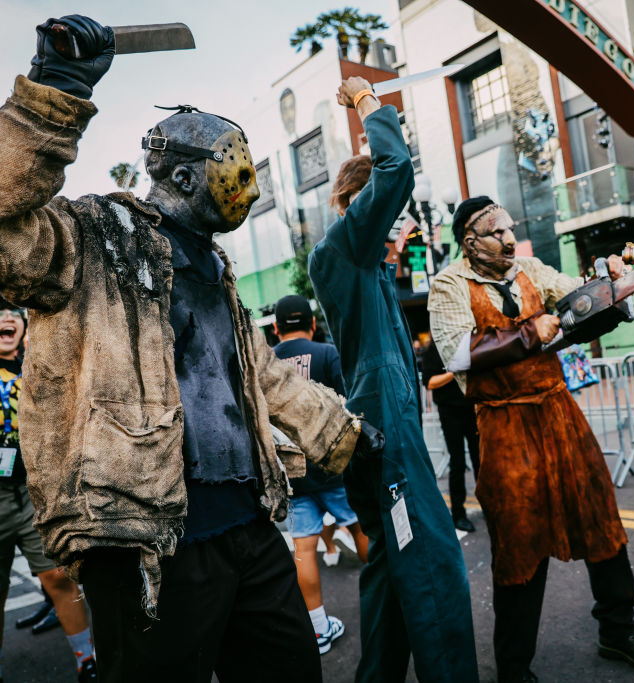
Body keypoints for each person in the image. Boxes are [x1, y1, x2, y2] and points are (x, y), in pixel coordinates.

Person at [0, 16, 379, 682]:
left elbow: (261, 376)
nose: (247, 185)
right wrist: (53, 91)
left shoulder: (215, 268)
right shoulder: (95, 237)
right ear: (180, 175)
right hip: (145, 545)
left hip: (249, 525)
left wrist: (347, 434)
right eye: (232, 167)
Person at [429, 196, 634, 682]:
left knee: (598, 512)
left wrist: (611, 281)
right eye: (495, 231)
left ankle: (618, 628)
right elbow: (456, 353)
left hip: (558, 408)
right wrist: (530, 333)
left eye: (509, 227)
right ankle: (514, 667)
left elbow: (577, 299)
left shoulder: (531, 269)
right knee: (518, 539)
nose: (508, 237)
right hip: (504, 425)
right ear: (470, 241)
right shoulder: (448, 283)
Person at [307, 77, 478, 683]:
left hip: (381, 434)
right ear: (363, 207)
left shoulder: (368, 271)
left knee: (392, 567)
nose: (404, 229)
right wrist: (365, 100)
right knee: (432, 565)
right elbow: (395, 164)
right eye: (394, 215)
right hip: (387, 438)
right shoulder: (343, 251)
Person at [0, 303, 97, 682]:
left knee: (59, 578)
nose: (7, 318)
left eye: (13, 312)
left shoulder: (37, 367)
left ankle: (87, 662)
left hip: (34, 495)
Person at [272, 294, 370, 655]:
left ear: (275, 327)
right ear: (312, 325)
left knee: (304, 547)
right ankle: (384, 605)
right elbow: (348, 406)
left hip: (291, 473)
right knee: (360, 526)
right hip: (333, 466)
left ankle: (317, 629)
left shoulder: (265, 362)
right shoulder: (327, 353)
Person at [420, 339, 480, 532]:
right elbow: (429, 382)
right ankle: (459, 514)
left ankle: (490, 503)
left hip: (473, 407)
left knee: (481, 459)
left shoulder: (467, 342)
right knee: (458, 462)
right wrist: (454, 373)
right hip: (450, 411)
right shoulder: (434, 350)